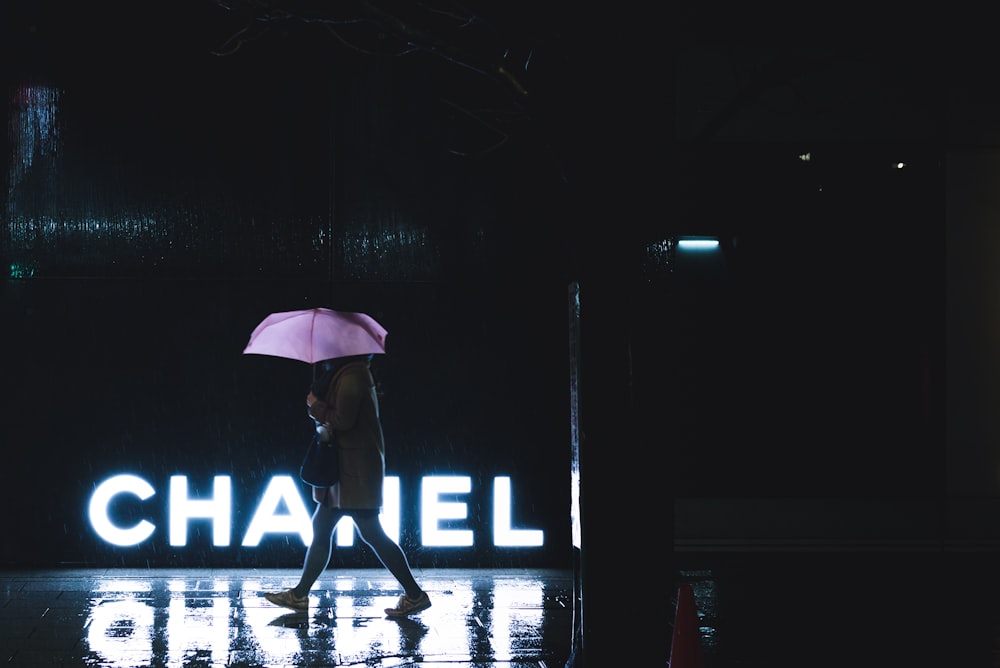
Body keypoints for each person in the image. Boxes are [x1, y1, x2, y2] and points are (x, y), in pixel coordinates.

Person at [263, 353, 431, 617]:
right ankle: (299, 595)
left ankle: (414, 595)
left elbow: (343, 420)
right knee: (325, 527)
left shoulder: (353, 376)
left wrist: (316, 405)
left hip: (355, 473)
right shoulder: (347, 373)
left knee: (371, 532)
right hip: (346, 472)